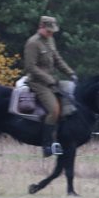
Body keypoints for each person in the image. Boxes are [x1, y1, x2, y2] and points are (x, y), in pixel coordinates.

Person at [23, 15, 77, 157]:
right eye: (48, 31)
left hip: (51, 81)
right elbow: (30, 67)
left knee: (70, 100)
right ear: (41, 27)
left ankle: (61, 138)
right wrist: (48, 79)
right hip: (37, 82)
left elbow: (57, 59)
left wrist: (70, 73)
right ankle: (47, 145)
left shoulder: (50, 40)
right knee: (54, 110)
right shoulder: (32, 43)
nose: (51, 33)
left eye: (52, 31)